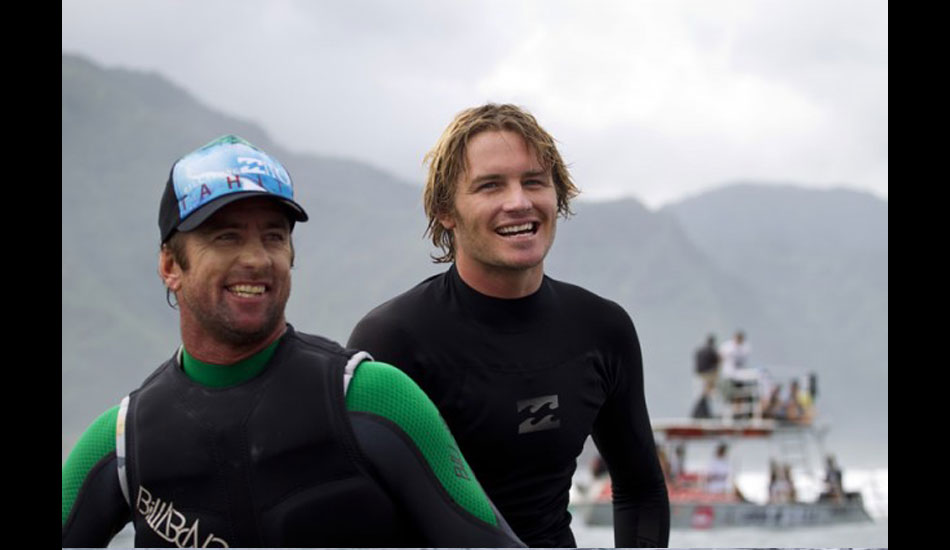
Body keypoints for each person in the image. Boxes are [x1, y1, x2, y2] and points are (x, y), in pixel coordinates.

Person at [61, 135, 524, 548]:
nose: (257, 259)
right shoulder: (123, 441)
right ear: (170, 265)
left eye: (273, 236)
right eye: (226, 237)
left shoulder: (374, 398)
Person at [347, 104, 670, 547]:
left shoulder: (601, 329)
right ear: (446, 210)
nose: (518, 202)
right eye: (490, 186)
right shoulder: (395, 339)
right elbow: (358, 516)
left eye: (534, 181)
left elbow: (640, 490)